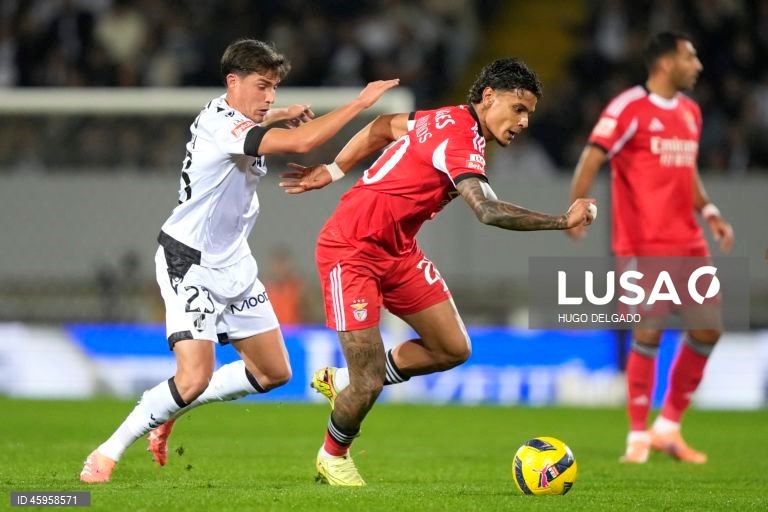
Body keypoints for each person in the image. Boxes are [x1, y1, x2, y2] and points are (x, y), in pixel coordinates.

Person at [79, 38, 399, 483]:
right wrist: (361, 103)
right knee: (191, 378)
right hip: (188, 260)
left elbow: (260, 122)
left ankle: (175, 405)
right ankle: (106, 452)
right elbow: (304, 142)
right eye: (262, 86)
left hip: (234, 263)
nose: (270, 96)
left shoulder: (233, 115)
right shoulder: (222, 126)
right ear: (234, 82)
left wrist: (277, 115)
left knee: (273, 373)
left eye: (274, 88)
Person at [280, 58, 596, 486]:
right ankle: (332, 456)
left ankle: (341, 380)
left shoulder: (446, 117)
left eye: (529, 115)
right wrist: (563, 220)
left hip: (398, 252)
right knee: (369, 381)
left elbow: (384, 126)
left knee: (452, 348)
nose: (523, 122)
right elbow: (486, 210)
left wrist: (335, 169)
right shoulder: (461, 140)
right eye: (518, 109)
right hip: (350, 251)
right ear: (489, 97)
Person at [567, 31, 734, 464]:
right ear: (665, 63)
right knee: (648, 332)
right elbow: (593, 155)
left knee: (708, 330)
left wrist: (710, 209)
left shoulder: (691, 113)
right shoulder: (629, 109)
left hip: (689, 242)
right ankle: (637, 436)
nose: (698, 66)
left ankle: (669, 428)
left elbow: (687, 168)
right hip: (643, 243)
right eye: (690, 57)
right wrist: (578, 205)